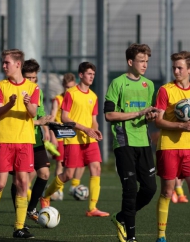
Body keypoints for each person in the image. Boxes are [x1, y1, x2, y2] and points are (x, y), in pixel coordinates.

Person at [0, 49, 39, 239]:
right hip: (4, 140)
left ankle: (19, 227)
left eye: (6, 63)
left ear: (18, 64)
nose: (3, 66)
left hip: (25, 141)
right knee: (0, 184)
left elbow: (33, 113)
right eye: (3, 62)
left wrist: (27, 104)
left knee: (22, 183)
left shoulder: (33, 87)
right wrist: (11, 104)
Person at [40, 61, 109, 218]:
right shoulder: (71, 93)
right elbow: (64, 117)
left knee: (96, 168)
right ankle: (46, 195)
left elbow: (94, 119)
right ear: (81, 75)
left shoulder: (94, 96)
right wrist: (85, 129)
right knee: (68, 175)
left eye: (93, 74)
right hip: (73, 139)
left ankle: (92, 208)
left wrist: (95, 128)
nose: (92, 77)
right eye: (89, 74)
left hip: (89, 139)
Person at [104, 43, 158, 242]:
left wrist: (150, 116)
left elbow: (146, 115)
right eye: (141, 61)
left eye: (147, 61)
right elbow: (109, 115)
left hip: (143, 142)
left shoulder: (149, 85)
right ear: (130, 62)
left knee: (150, 188)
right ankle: (131, 237)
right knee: (130, 189)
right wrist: (139, 112)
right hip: (124, 142)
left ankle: (121, 217)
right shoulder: (117, 83)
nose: (145, 65)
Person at [10, 58, 52, 223]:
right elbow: (16, 120)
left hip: (36, 139)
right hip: (20, 139)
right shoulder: (15, 92)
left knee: (44, 173)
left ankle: (31, 208)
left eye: (35, 78)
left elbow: (40, 113)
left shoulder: (37, 92)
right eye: (29, 77)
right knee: (18, 180)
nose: (32, 81)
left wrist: (46, 129)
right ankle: (18, 213)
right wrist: (38, 123)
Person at [155, 51, 190, 242]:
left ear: (189, 69)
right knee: (167, 192)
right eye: (174, 68)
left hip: (189, 149)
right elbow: (158, 121)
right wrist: (181, 125)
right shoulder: (165, 90)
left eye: (180, 68)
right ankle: (161, 236)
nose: (176, 71)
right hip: (168, 147)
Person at [50, 73, 85, 200]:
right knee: (60, 163)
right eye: (66, 87)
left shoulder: (77, 98)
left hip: (75, 135)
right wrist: (52, 135)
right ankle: (59, 189)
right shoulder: (58, 99)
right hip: (61, 135)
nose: (67, 90)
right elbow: (53, 118)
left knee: (80, 162)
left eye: (70, 87)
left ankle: (75, 186)